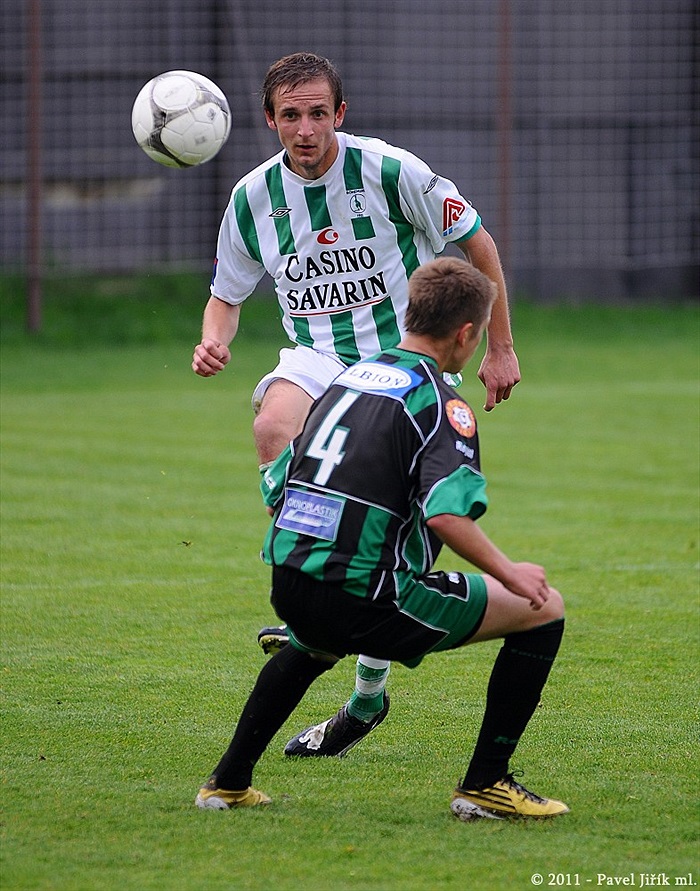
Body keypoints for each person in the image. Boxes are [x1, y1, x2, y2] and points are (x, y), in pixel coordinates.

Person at [192, 52, 521, 757]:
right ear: (270, 120)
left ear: (339, 114)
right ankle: (312, 566)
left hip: (405, 356)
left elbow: (479, 243)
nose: (305, 128)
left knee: (397, 525)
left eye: (318, 113)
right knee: (274, 421)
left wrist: (499, 346)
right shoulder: (252, 199)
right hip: (316, 357)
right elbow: (226, 292)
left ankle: (367, 696)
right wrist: (212, 340)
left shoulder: (393, 171)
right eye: (290, 115)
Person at [195, 257, 568, 820]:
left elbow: (279, 477)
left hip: (291, 577)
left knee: (314, 638)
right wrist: (511, 573)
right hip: (368, 598)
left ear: (409, 313)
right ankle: (486, 784)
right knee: (544, 609)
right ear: (467, 335)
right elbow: (446, 515)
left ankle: (226, 784)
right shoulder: (440, 402)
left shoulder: (344, 380)